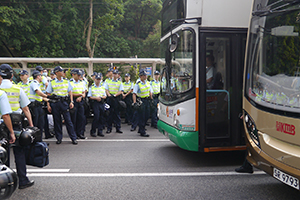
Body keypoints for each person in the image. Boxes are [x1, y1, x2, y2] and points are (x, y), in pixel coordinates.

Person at [0, 64, 34, 189]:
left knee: (3, 154)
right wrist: (31, 125)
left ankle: (6, 182)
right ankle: (23, 180)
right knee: (19, 152)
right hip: (16, 124)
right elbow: (25, 108)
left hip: (1, 125)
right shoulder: (18, 88)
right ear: (12, 76)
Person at [46, 66, 78, 145]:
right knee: (57, 121)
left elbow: (70, 92)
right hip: (55, 103)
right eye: (61, 71)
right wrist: (48, 105)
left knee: (68, 121)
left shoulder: (66, 81)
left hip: (64, 102)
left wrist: (71, 102)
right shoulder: (52, 82)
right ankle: (59, 138)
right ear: (56, 73)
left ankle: (73, 138)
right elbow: (48, 94)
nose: (63, 72)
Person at [28, 70, 51, 137]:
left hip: (39, 106)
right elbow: (38, 93)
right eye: (41, 76)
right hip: (34, 106)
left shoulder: (37, 84)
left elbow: (40, 97)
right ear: (38, 76)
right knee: (36, 124)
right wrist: (48, 96)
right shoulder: (34, 83)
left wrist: (49, 100)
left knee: (41, 124)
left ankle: (40, 140)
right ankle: (35, 141)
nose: (42, 78)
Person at [132, 69, 153, 137]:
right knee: (142, 116)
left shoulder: (147, 82)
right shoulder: (138, 84)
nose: (145, 76)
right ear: (140, 76)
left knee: (147, 115)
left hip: (147, 100)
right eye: (144, 75)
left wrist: (151, 98)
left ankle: (141, 128)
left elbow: (149, 91)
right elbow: (134, 94)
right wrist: (135, 103)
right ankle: (142, 131)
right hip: (141, 101)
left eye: (145, 75)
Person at [105, 69, 124, 133]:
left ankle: (118, 128)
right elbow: (106, 89)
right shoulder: (108, 81)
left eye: (116, 74)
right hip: (110, 98)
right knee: (109, 114)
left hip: (116, 99)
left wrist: (115, 95)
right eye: (114, 74)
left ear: (118, 75)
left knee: (117, 114)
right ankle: (109, 128)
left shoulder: (119, 82)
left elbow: (121, 91)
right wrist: (109, 96)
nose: (115, 75)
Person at [70, 69, 86, 139]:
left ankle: (80, 133)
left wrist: (81, 96)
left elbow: (84, 92)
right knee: (74, 118)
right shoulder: (70, 83)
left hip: (80, 101)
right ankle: (74, 134)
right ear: (73, 75)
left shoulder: (82, 82)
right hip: (73, 100)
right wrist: (79, 95)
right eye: (78, 75)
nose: (80, 76)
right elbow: (69, 93)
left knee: (81, 118)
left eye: (80, 75)